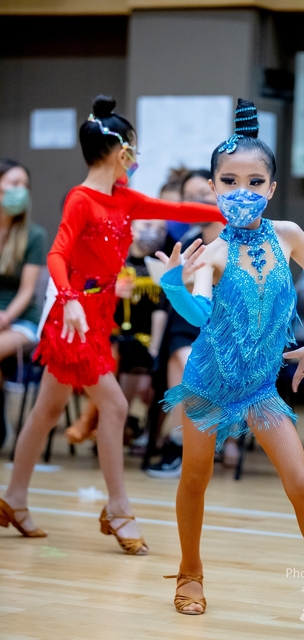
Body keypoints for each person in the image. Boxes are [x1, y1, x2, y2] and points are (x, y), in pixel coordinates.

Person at [157, 99, 304, 639]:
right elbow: (199, 315)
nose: (243, 191)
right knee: (196, 478)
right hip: (208, 383)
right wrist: (173, 286)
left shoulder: (289, 234)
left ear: (272, 188)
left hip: (258, 386)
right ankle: (189, 573)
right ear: (213, 188)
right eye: (229, 181)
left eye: (255, 182)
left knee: (301, 482)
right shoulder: (212, 252)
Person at [0, 95, 224, 554]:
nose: (137, 156)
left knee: (46, 411)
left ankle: (14, 499)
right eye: (134, 148)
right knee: (116, 406)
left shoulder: (124, 198)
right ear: (121, 151)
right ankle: (119, 509)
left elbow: (180, 211)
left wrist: (230, 212)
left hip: (98, 315)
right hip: (72, 319)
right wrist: (70, 300)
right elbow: (57, 255)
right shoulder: (81, 199)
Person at [146, 169, 229, 478]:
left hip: (227, 325)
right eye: (190, 197)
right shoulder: (187, 242)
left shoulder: (236, 240)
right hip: (189, 321)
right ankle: (183, 443)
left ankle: (189, 442)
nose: (198, 202)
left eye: (203, 195)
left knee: (190, 360)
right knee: (182, 357)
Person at [64, 218, 169, 447]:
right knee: (103, 349)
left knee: (114, 350)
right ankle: (101, 421)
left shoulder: (163, 266)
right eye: (147, 226)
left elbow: (161, 310)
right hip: (109, 333)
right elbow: (90, 299)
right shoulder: (113, 261)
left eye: (161, 229)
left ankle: (88, 420)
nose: (154, 233)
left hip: (144, 341)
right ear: (130, 229)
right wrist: (113, 292)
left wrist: (156, 346)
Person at [0, 159, 48, 448]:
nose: (21, 190)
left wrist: (4, 317)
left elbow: (27, 292)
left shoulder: (34, 235)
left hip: (22, 320)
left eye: (25, 185)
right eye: (14, 183)